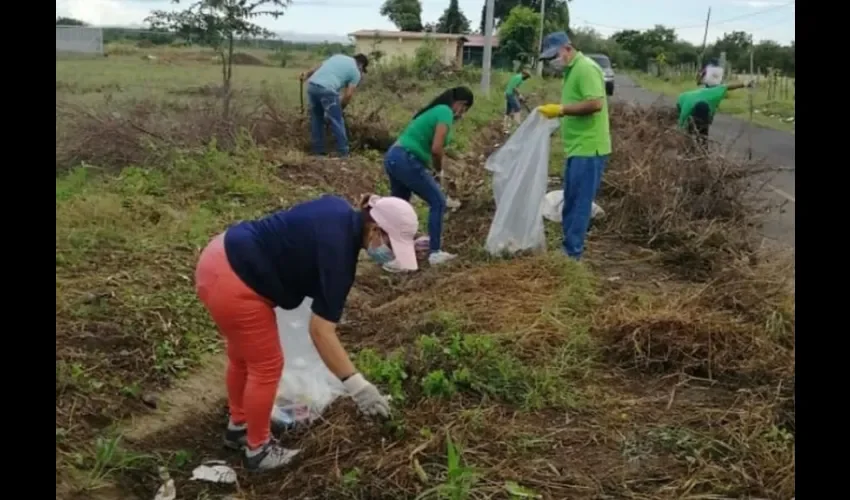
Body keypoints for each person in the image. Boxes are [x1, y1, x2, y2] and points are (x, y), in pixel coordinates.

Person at [194, 194, 419, 471]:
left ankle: (238, 427)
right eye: (392, 246)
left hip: (218, 257)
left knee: (242, 359)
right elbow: (322, 332)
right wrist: (360, 389)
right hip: (237, 281)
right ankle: (258, 451)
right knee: (267, 366)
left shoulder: (338, 209)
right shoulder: (338, 256)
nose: (391, 254)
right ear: (374, 229)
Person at [535, 32, 611, 261]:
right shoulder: (571, 71)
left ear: (567, 48)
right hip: (577, 147)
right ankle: (568, 248)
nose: (553, 62)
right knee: (570, 199)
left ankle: (572, 254)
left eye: (554, 56)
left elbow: (595, 103)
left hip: (589, 148)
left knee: (579, 204)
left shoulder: (585, 68)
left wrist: (561, 110)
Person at [382, 87, 474, 269]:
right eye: (464, 110)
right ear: (461, 104)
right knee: (438, 201)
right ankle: (435, 252)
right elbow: (437, 149)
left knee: (400, 207)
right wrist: (439, 171)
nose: (461, 115)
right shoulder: (445, 112)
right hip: (407, 159)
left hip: (394, 156)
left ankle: (395, 255)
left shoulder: (434, 110)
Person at [299, 54, 369, 157]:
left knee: (317, 119)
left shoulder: (338, 57)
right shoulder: (356, 72)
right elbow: (348, 95)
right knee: (337, 120)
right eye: (362, 70)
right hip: (327, 89)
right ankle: (343, 152)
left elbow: (318, 66)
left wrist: (306, 75)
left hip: (312, 86)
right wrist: (340, 108)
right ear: (361, 65)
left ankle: (318, 152)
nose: (361, 72)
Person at [676, 81, 751, 149]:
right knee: (688, 135)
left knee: (703, 136)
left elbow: (727, 86)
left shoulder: (713, 95)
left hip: (699, 99)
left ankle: (703, 151)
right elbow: (681, 127)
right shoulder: (686, 111)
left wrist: (745, 84)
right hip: (683, 99)